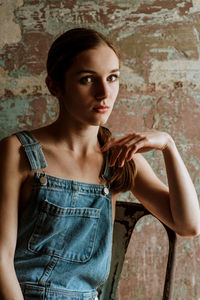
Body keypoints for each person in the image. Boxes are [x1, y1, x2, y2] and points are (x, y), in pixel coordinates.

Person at [0, 27, 199, 300]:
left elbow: (189, 226)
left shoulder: (119, 159)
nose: (104, 92)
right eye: (87, 79)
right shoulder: (18, 151)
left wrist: (168, 145)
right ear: (54, 85)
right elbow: (0, 257)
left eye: (112, 77)